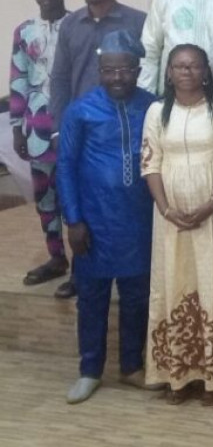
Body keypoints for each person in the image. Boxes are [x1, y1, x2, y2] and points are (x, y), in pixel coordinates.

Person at [141, 45, 213, 405]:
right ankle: (177, 377)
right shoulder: (157, 111)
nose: (186, 72)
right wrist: (166, 208)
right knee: (173, 285)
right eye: (179, 66)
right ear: (168, 72)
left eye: (194, 66)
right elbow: (151, 162)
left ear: (206, 71)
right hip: (169, 218)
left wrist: (212, 203)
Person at [57, 31, 157, 404]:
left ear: (137, 69)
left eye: (125, 70)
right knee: (92, 298)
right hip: (93, 222)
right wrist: (74, 220)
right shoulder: (80, 110)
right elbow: (64, 167)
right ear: (100, 70)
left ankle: (131, 366)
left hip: (139, 221)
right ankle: (89, 371)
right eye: (109, 70)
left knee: (136, 297)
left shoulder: (153, 106)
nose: (117, 77)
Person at [11, 0, 72, 294]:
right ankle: (55, 258)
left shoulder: (77, 26)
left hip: (72, 124)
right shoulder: (24, 32)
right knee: (45, 196)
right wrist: (17, 128)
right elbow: (18, 78)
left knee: (76, 197)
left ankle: (83, 268)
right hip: (36, 127)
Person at [50, 0, 147, 126]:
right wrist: (58, 126)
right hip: (81, 119)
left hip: (126, 120)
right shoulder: (70, 25)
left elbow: (148, 72)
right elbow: (60, 78)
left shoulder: (138, 22)